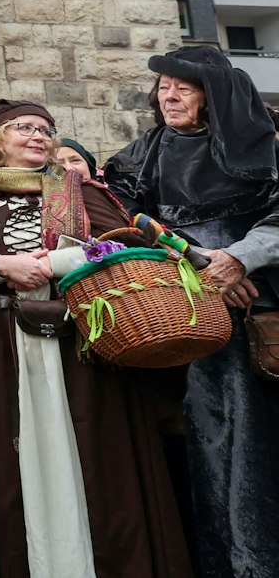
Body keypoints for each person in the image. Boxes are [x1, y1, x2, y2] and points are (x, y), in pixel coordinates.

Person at [0, 99, 193, 578]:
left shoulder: (79, 192)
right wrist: (1, 264)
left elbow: (123, 245)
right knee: (23, 458)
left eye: (45, 129)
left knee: (95, 454)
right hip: (11, 350)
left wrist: (53, 263)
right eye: (25, 128)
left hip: (83, 345)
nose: (38, 136)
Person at [103, 48, 279, 578]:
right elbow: (120, 219)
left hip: (262, 317)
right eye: (164, 87)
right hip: (185, 314)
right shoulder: (142, 155)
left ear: (214, 94)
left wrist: (241, 259)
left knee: (261, 441)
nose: (170, 96)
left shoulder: (267, 145)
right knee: (206, 442)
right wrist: (202, 265)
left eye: (184, 87)